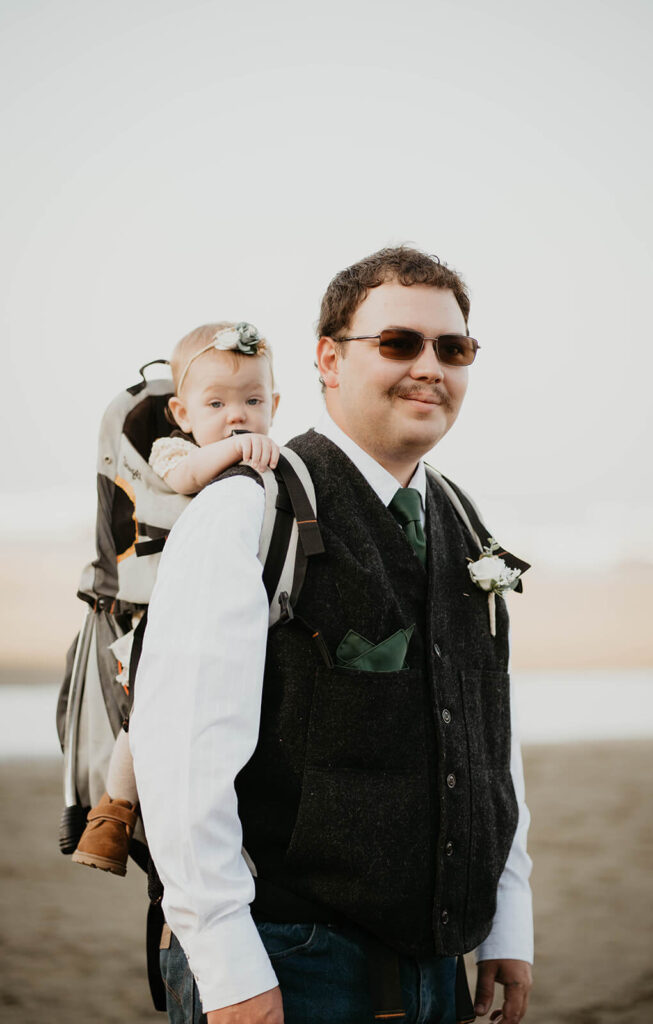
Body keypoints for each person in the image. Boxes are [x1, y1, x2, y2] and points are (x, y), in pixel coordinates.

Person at [130, 247, 534, 1024]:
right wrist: (230, 968)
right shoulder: (246, 511)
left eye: (453, 349)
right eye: (397, 343)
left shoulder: (461, 517)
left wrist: (506, 917)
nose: (430, 366)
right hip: (288, 961)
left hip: (437, 961)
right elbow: (183, 757)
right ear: (326, 359)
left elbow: (487, 730)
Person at [73, 321, 280, 877]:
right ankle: (112, 814)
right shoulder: (172, 450)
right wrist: (239, 451)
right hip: (160, 616)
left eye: (252, 400)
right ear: (184, 415)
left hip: (224, 613)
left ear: (275, 404)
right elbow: (187, 476)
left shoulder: (275, 459)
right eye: (216, 403)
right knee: (147, 712)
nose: (236, 415)